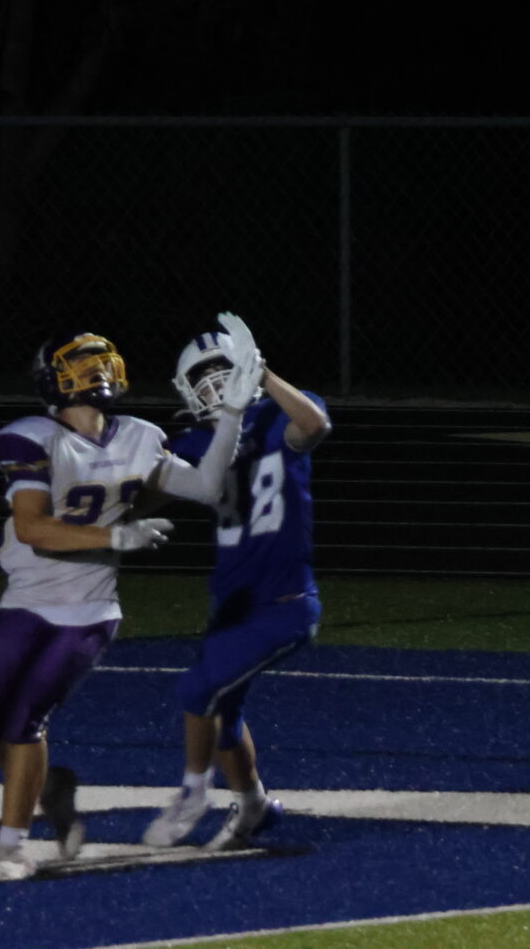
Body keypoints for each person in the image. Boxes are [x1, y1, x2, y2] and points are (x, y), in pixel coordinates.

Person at [0, 329, 247, 881]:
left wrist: (231, 415)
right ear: (52, 379)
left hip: (88, 612)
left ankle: (11, 848)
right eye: (82, 363)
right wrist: (116, 536)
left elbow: (208, 486)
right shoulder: (29, 438)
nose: (97, 371)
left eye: (101, 361)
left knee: (24, 721)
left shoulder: (140, 435)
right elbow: (33, 528)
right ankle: (49, 785)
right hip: (24, 599)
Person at [141, 312, 330, 851]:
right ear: (186, 391)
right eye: (204, 379)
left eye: (226, 371)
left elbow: (314, 426)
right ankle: (253, 807)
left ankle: (192, 793)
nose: (218, 385)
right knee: (224, 712)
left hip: (285, 602)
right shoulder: (197, 442)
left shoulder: (277, 415)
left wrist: (263, 374)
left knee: (198, 688)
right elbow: (150, 490)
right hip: (233, 605)